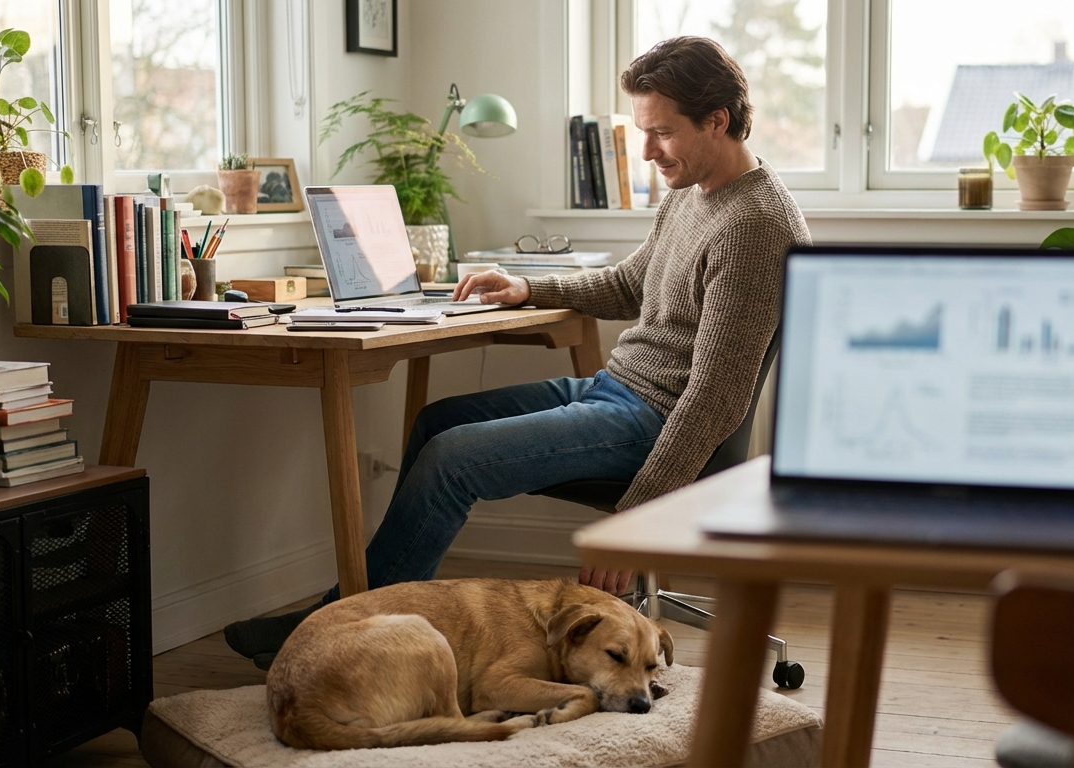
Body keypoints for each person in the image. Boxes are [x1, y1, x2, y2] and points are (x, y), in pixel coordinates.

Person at [224, 35, 810, 665]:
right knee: (436, 421)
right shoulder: (692, 192)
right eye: (643, 132)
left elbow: (715, 402)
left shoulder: (755, 226)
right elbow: (629, 282)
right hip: (618, 392)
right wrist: (528, 287)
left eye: (661, 133)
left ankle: (342, 635)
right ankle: (361, 611)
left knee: (451, 460)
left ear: (717, 121)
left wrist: (633, 525)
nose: (647, 152)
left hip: (658, 418)